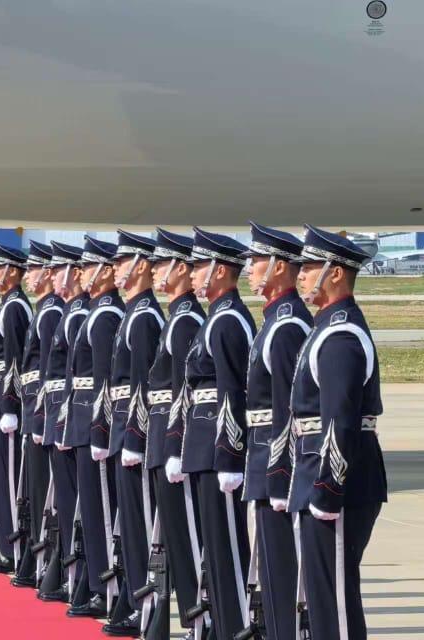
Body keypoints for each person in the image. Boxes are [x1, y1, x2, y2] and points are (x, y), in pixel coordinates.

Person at [287, 225, 388, 640]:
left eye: (310, 267)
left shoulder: (341, 335)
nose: (302, 275)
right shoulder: (325, 328)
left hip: (338, 486)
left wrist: (328, 488)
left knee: (337, 601)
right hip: (318, 476)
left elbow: (339, 420)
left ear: (336, 273)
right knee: (323, 597)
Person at [180, 228, 257, 640]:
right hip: (203, 445)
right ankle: (220, 627)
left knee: (227, 551)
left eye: (198, 266)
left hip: (217, 450)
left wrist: (230, 454)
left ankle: (236, 628)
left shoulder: (228, 320)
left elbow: (233, 391)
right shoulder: (216, 317)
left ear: (220, 270)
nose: (192, 274)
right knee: (213, 547)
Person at [238, 223, 313, 640]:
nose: (250, 269)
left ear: (279, 268)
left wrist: (281, 475)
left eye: (258, 261)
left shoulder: (286, 327)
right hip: (263, 458)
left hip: (275, 464)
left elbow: (288, 410)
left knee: (282, 574)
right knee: (269, 571)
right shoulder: (273, 321)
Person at [144, 230, 206, 640]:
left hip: (178, 439)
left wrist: (175, 444)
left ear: (180, 269)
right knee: (176, 539)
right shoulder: (175, 318)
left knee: (189, 540)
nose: (155, 272)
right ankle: (191, 618)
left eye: (163, 264)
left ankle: (198, 618)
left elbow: (186, 390)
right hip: (164, 434)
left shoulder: (185, 321)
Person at [102, 231, 163, 637]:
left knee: (141, 528)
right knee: (130, 526)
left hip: (135, 432)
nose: (115, 271)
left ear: (139, 266)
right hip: (124, 426)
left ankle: (147, 610)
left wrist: (136, 436)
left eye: (122, 263)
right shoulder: (132, 313)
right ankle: (133, 601)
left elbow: (144, 383)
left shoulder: (144, 317)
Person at [65, 237, 123, 620]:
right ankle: (99, 583)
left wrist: (100, 429)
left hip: (95, 424)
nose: (81, 274)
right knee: (91, 506)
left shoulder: (105, 316)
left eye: (87, 268)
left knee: (103, 511)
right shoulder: (96, 312)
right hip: (83, 420)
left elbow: (104, 380)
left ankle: (108, 588)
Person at [37, 241, 87, 601]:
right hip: (61, 415)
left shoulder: (80, 313)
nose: (53, 276)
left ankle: (79, 572)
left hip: (74, 419)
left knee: (78, 501)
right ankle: (70, 570)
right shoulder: (70, 312)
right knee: (65, 501)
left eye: (58, 270)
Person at [0, 244, 31, 572]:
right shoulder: (6, 306)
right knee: (0, 476)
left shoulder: (14, 308)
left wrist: (11, 403)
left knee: (10, 480)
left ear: (13, 271)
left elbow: (14, 359)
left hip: (6, 402)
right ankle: (6, 545)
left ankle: (14, 549)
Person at [18, 241, 62, 589]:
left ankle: (47, 560)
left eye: (33, 270)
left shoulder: (50, 314)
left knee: (44, 492)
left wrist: (40, 418)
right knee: (34, 491)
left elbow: (50, 375)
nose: (27, 276)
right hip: (34, 409)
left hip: (43, 413)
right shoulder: (43, 310)